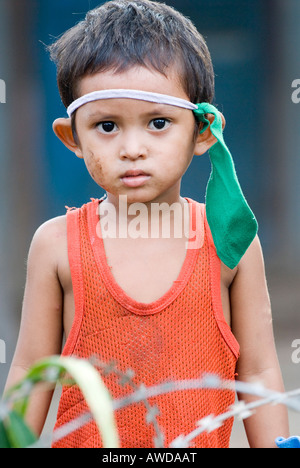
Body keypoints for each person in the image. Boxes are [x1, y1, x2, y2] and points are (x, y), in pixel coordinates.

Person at [4, 0, 289, 448]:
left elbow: (258, 370)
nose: (132, 148)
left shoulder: (229, 240)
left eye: (158, 123)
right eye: (107, 126)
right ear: (71, 137)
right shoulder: (56, 245)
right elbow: (28, 371)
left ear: (202, 132)